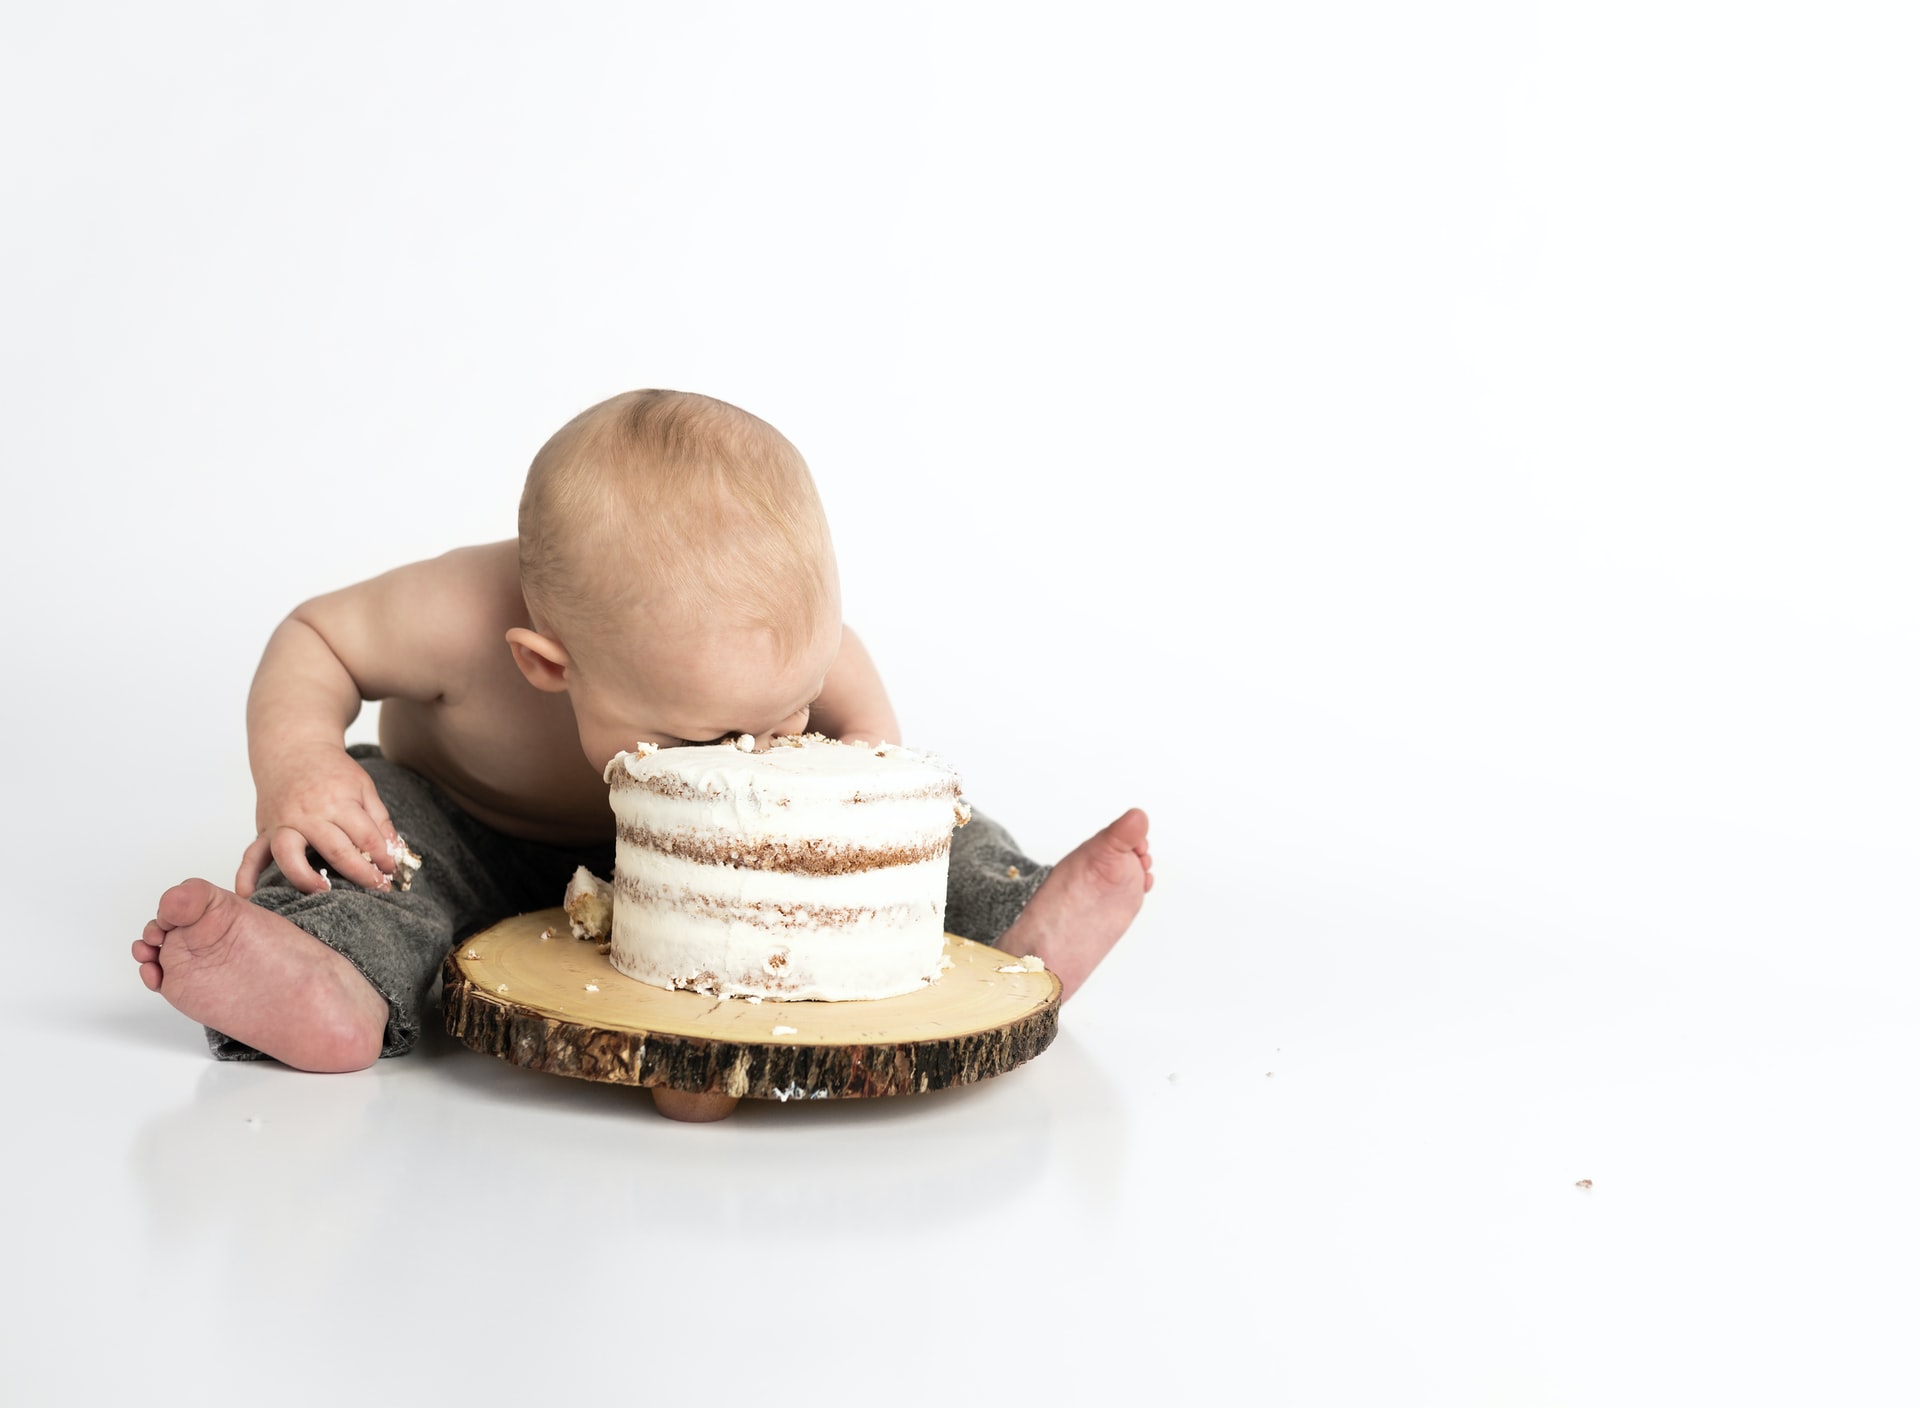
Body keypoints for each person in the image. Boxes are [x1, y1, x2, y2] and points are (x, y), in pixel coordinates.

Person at [132, 390, 1153, 1072]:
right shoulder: (455, 616)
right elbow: (315, 638)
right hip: (474, 836)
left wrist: (861, 776)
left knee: (932, 823)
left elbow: (848, 689)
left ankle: (1012, 917)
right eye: (700, 736)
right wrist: (298, 765)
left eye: (780, 713)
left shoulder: (766, 645)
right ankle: (325, 979)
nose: (742, 755)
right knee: (371, 843)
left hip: (726, 869)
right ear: (546, 662)